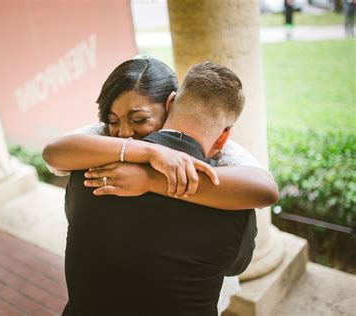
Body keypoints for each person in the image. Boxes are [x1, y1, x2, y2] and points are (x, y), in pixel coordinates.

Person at [43, 58, 279, 315]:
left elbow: (265, 188)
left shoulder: (88, 172)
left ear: (169, 105)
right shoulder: (234, 205)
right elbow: (234, 265)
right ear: (224, 135)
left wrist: (150, 180)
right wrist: (148, 153)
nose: (124, 134)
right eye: (113, 120)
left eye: (139, 119)